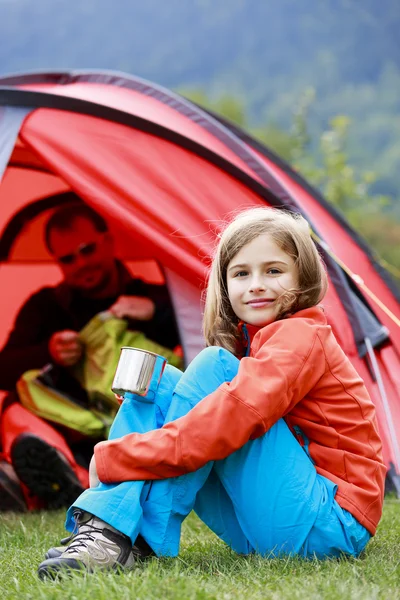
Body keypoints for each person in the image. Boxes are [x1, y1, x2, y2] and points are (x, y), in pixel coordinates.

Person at [37, 207, 386, 578]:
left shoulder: (301, 336)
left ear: (302, 280)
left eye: (273, 270)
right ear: (225, 285)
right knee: (157, 386)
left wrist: (117, 458)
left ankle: (114, 529)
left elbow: (226, 423)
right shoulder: (257, 344)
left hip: (330, 523)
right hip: (274, 520)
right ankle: (113, 534)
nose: (256, 284)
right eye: (241, 273)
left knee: (213, 366)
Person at [0, 198, 180, 511]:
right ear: (57, 263)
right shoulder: (46, 307)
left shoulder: (156, 297)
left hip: (136, 426)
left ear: (108, 241)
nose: (81, 264)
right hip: (70, 432)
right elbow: (4, 368)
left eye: (87, 250)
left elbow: (206, 339)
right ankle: (75, 477)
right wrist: (49, 351)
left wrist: (156, 313)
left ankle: (54, 481)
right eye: (68, 259)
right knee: (14, 407)